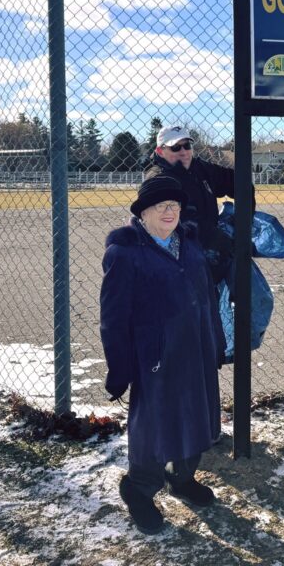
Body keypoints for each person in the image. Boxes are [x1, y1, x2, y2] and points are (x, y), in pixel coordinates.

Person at [100, 175, 223, 534]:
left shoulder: (190, 243)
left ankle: (182, 478)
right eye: (161, 206)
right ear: (143, 212)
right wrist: (120, 367)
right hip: (155, 359)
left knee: (198, 416)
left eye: (175, 206)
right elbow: (113, 318)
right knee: (155, 427)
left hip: (196, 350)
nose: (170, 212)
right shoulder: (125, 253)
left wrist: (213, 339)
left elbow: (208, 298)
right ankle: (138, 490)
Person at [143, 125, 236, 280]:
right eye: (175, 147)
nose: (183, 151)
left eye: (187, 145)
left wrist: (244, 222)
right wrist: (222, 240)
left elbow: (235, 180)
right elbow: (179, 224)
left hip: (207, 257)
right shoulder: (158, 180)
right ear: (160, 151)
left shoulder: (198, 168)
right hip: (175, 265)